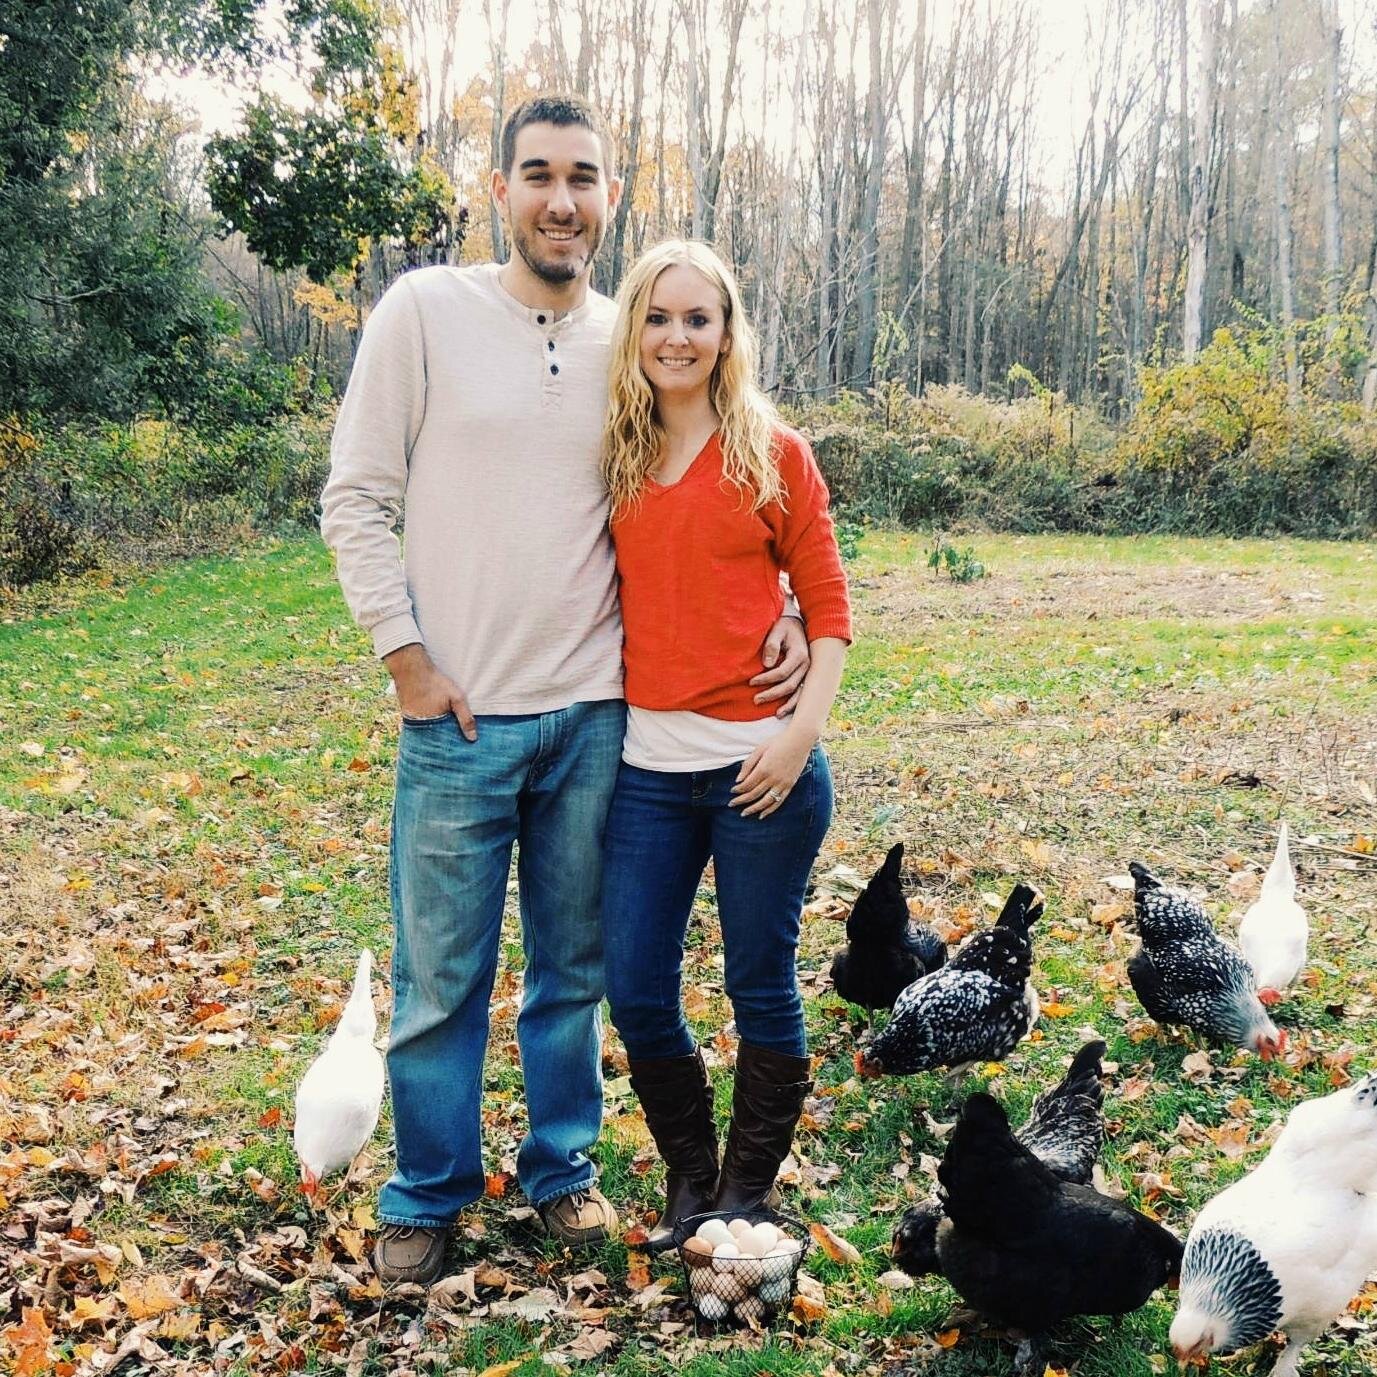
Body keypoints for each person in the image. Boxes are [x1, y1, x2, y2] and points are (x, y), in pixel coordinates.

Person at [319, 97, 810, 1286]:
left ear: (608, 197)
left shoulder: (632, 340)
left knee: (570, 975)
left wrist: (785, 608)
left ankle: (561, 1173)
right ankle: (429, 1190)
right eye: (537, 174)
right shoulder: (424, 313)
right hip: (458, 717)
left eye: (583, 177)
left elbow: (726, 487)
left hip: (600, 716)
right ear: (501, 191)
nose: (561, 199)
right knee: (441, 978)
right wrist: (406, 656)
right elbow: (355, 496)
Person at [598, 240, 851, 1252]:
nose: (677, 337)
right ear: (636, 330)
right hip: (649, 775)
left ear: (727, 332)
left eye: (698, 319)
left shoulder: (773, 452)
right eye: (659, 318)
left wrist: (798, 738)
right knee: (636, 988)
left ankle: (747, 1193)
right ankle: (692, 1181)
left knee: (760, 984)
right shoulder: (613, 449)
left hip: (760, 771)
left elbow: (828, 611)